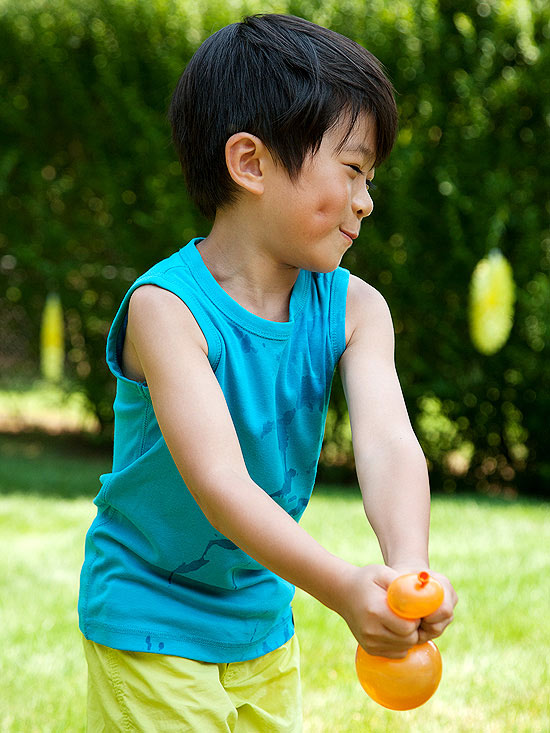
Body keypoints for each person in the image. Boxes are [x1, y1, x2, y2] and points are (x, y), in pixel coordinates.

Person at [78, 13, 457, 732]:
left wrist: (409, 569)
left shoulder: (356, 311)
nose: (366, 199)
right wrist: (344, 587)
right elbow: (221, 485)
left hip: (259, 623)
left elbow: (386, 443)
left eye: (370, 177)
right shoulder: (168, 311)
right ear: (250, 162)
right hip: (146, 618)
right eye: (351, 169)